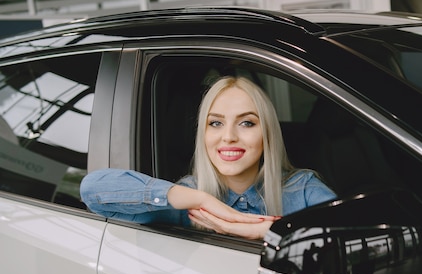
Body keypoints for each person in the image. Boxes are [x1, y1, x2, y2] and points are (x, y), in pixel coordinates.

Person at [80, 75, 336, 240]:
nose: (228, 137)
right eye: (215, 123)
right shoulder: (187, 198)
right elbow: (93, 190)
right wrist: (202, 199)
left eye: (246, 123)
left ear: (267, 133)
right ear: (202, 133)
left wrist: (267, 231)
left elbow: (355, 239)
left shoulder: (301, 188)